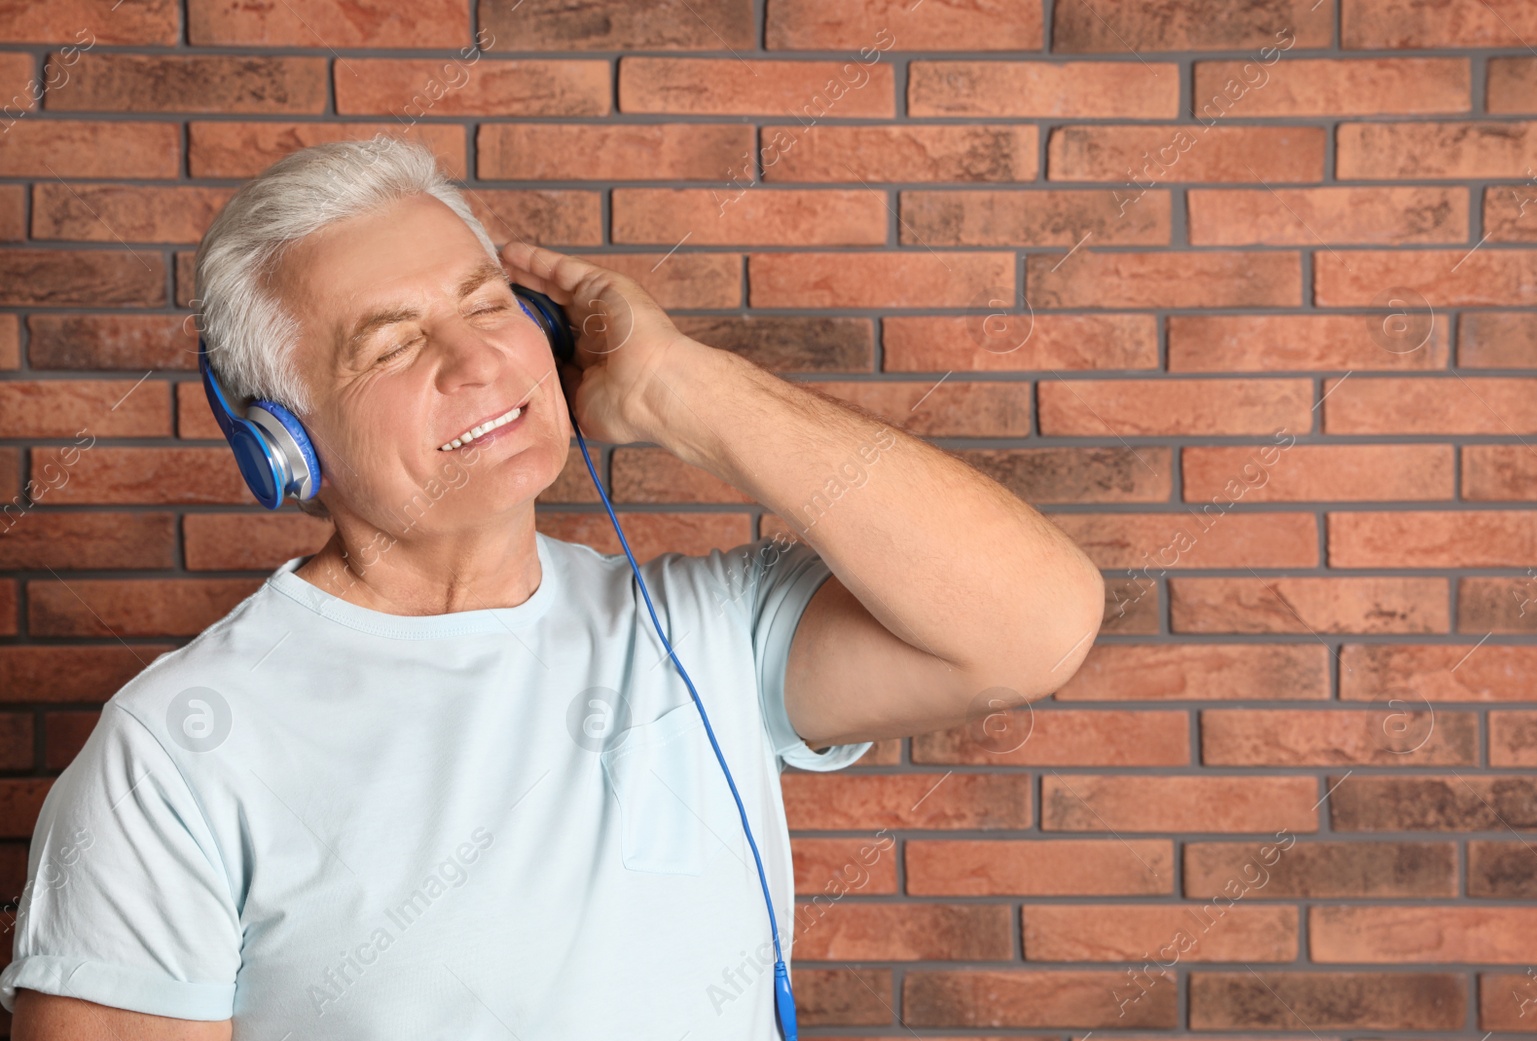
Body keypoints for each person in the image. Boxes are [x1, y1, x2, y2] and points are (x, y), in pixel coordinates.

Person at [1, 135, 1104, 1040]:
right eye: (391, 347)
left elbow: (1031, 629)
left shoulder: (702, 631)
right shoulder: (177, 751)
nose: (478, 363)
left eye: (489, 307)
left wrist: (679, 386)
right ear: (280, 445)